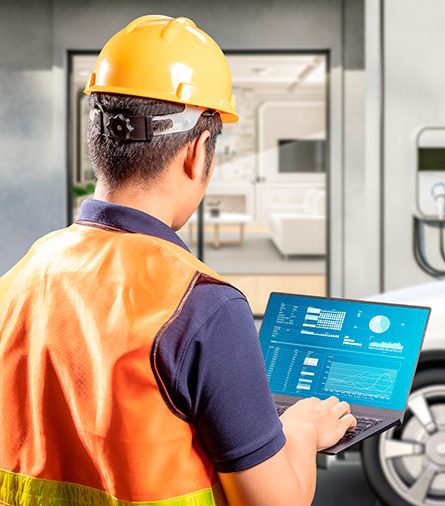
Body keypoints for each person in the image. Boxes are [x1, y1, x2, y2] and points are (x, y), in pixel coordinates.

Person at [0, 15, 355, 506]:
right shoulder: (203, 307)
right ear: (198, 152)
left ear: (97, 144)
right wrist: (300, 431)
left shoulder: (22, 276)